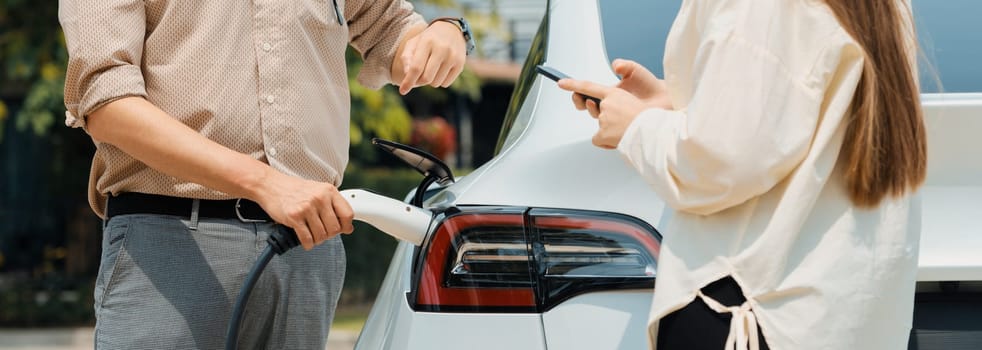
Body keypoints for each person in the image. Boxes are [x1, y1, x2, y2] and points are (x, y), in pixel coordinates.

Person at [59, 0, 472, 348]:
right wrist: (265, 183)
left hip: (308, 249)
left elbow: (393, 30)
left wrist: (446, 32)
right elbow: (105, 102)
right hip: (173, 241)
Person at [559, 0, 925, 349]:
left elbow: (719, 164)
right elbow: (806, 103)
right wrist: (678, 102)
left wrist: (637, 127)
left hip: (748, 312)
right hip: (836, 314)